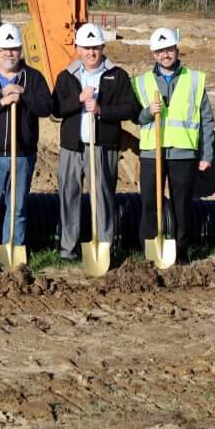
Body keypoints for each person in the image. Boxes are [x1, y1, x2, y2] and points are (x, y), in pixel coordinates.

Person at [51, 23, 138, 260]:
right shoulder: (66, 76)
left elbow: (130, 108)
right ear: (78, 49)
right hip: (72, 147)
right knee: (69, 196)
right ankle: (68, 250)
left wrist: (101, 110)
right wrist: (78, 99)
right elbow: (55, 109)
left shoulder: (117, 75)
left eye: (95, 47)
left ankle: (103, 248)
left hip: (102, 147)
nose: (91, 52)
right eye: (86, 48)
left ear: (102, 47)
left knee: (103, 198)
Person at [0, 23, 51, 265]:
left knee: (17, 206)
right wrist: (1, 102)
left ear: (20, 51)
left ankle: (12, 248)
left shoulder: (33, 78)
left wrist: (24, 94)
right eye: (4, 49)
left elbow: (46, 108)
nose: (9, 54)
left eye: (13, 49)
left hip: (22, 154)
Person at [132, 27, 215, 260]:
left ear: (177, 50)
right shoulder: (141, 82)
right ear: (153, 54)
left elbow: (207, 120)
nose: (165, 55)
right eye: (160, 51)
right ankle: (150, 253)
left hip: (183, 153)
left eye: (169, 49)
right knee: (149, 204)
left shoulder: (194, 80)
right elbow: (134, 116)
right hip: (152, 153)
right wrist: (148, 112)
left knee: (181, 206)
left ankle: (180, 253)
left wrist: (206, 154)